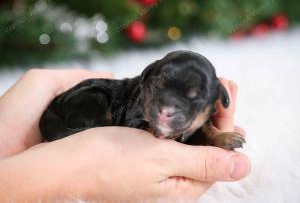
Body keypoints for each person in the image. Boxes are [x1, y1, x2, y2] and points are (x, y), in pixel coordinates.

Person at [0, 69, 251, 203]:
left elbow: (202, 131)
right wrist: (65, 170)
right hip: (82, 105)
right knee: (95, 101)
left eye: (193, 97)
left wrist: (215, 137)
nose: (167, 110)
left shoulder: (203, 117)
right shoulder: (133, 103)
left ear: (216, 100)